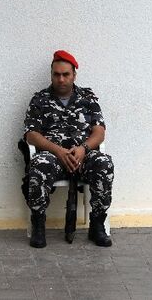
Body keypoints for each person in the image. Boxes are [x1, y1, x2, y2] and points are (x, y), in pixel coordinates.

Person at [22, 50, 114, 248]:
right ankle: (38, 225)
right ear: (51, 75)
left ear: (74, 75)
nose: (61, 79)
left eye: (66, 74)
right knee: (38, 164)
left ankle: (97, 225)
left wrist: (83, 148)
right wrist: (57, 151)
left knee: (104, 163)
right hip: (53, 157)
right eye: (57, 74)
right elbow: (31, 134)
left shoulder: (88, 98)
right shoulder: (39, 99)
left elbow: (99, 132)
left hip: (82, 156)